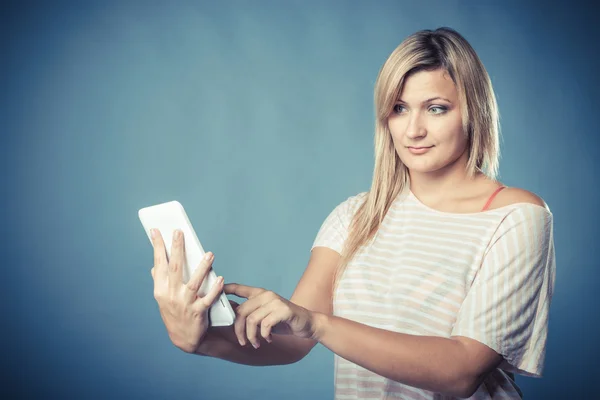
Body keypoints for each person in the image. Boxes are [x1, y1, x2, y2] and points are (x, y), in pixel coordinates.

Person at [149, 27, 556, 399]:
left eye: (435, 108)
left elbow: (461, 370)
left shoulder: (516, 216)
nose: (412, 130)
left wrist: (319, 323)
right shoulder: (354, 216)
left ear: (473, 112)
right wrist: (199, 337)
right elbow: (294, 340)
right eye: (399, 108)